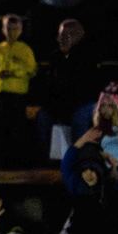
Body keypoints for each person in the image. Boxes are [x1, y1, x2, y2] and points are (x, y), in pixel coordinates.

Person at [35, 19, 103, 154]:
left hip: (82, 102)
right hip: (61, 102)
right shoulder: (55, 57)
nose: (61, 39)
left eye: (66, 36)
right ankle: (45, 156)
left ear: (78, 36)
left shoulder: (87, 55)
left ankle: (80, 156)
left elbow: (83, 86)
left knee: (79, 118)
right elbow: (50, 84)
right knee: (43, 116)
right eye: (60, 36)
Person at [0, 14, 36, 166]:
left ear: (20, 30)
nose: (12, 32)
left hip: (18, 94)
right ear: (3, 29)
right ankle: (2, 159)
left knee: (18, 127)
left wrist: (14, 73)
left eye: (15, 29)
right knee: (2, 126)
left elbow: (32, 69)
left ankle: (18, 160)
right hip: (3, 93)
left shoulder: (25, 49)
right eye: (9, 28)